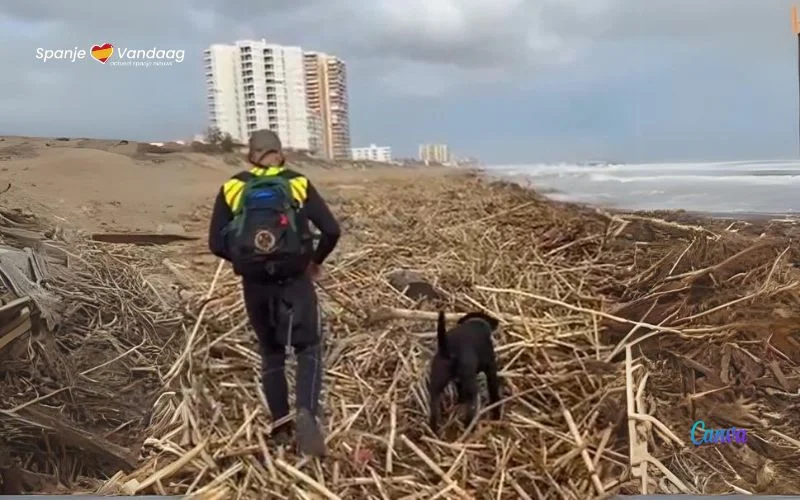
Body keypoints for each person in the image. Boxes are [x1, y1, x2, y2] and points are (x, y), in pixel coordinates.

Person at [207, 129, 340, 457]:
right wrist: (313, 261)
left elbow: (215, 243)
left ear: (251, 156)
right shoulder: (297, 183)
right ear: (280, 153)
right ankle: (307, 413)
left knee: (272, 354)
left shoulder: (232, 187)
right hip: (295, 280)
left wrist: (244, 261)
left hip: (255, 286)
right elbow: (332, 230)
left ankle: (281, 426)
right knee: (308, 348)